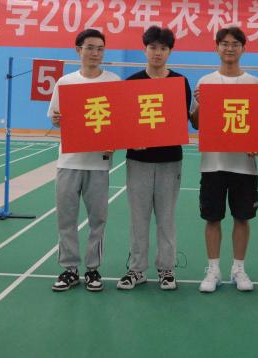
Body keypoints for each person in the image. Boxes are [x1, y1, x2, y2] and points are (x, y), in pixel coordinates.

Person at [118, 26, 192, 291]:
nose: (157, 53)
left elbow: (182, 119)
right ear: (145, 49)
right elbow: (124, 122)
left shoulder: (180, 82)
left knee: (166, 217)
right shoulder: (132, 83)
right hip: (138, 161)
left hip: (170, 160)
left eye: (163, 48)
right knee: (138, 218)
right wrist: (131, 139)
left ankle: (166, 269)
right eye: (153, 47)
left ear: (169, 51)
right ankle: (136, 269)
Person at [189, 26, 258, 293]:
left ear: (243, 48)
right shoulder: (205, 82)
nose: (229, 48)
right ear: (216, 47)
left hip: (244, 165)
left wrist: (257, 145)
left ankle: (238, 269)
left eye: (235, 44)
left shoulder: (254, 84)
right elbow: (196, 123)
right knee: (213, 218)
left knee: (242, 218)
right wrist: (201, 104)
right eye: (224, 44)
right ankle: (213, 270)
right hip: (213, 164)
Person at [48, 28, 120, 292]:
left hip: (98, 164)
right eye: (90, 48)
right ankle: (69, 269)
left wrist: (115, 141)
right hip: (68, 162)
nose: (95, 53)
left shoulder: (113, 81)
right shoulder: (65, 82)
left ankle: (92, 269)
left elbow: (120, 121)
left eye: (100, 49)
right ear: (78, 50)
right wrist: (57, 119)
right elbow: (55, 117)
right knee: (66, 219)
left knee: (97, 220)